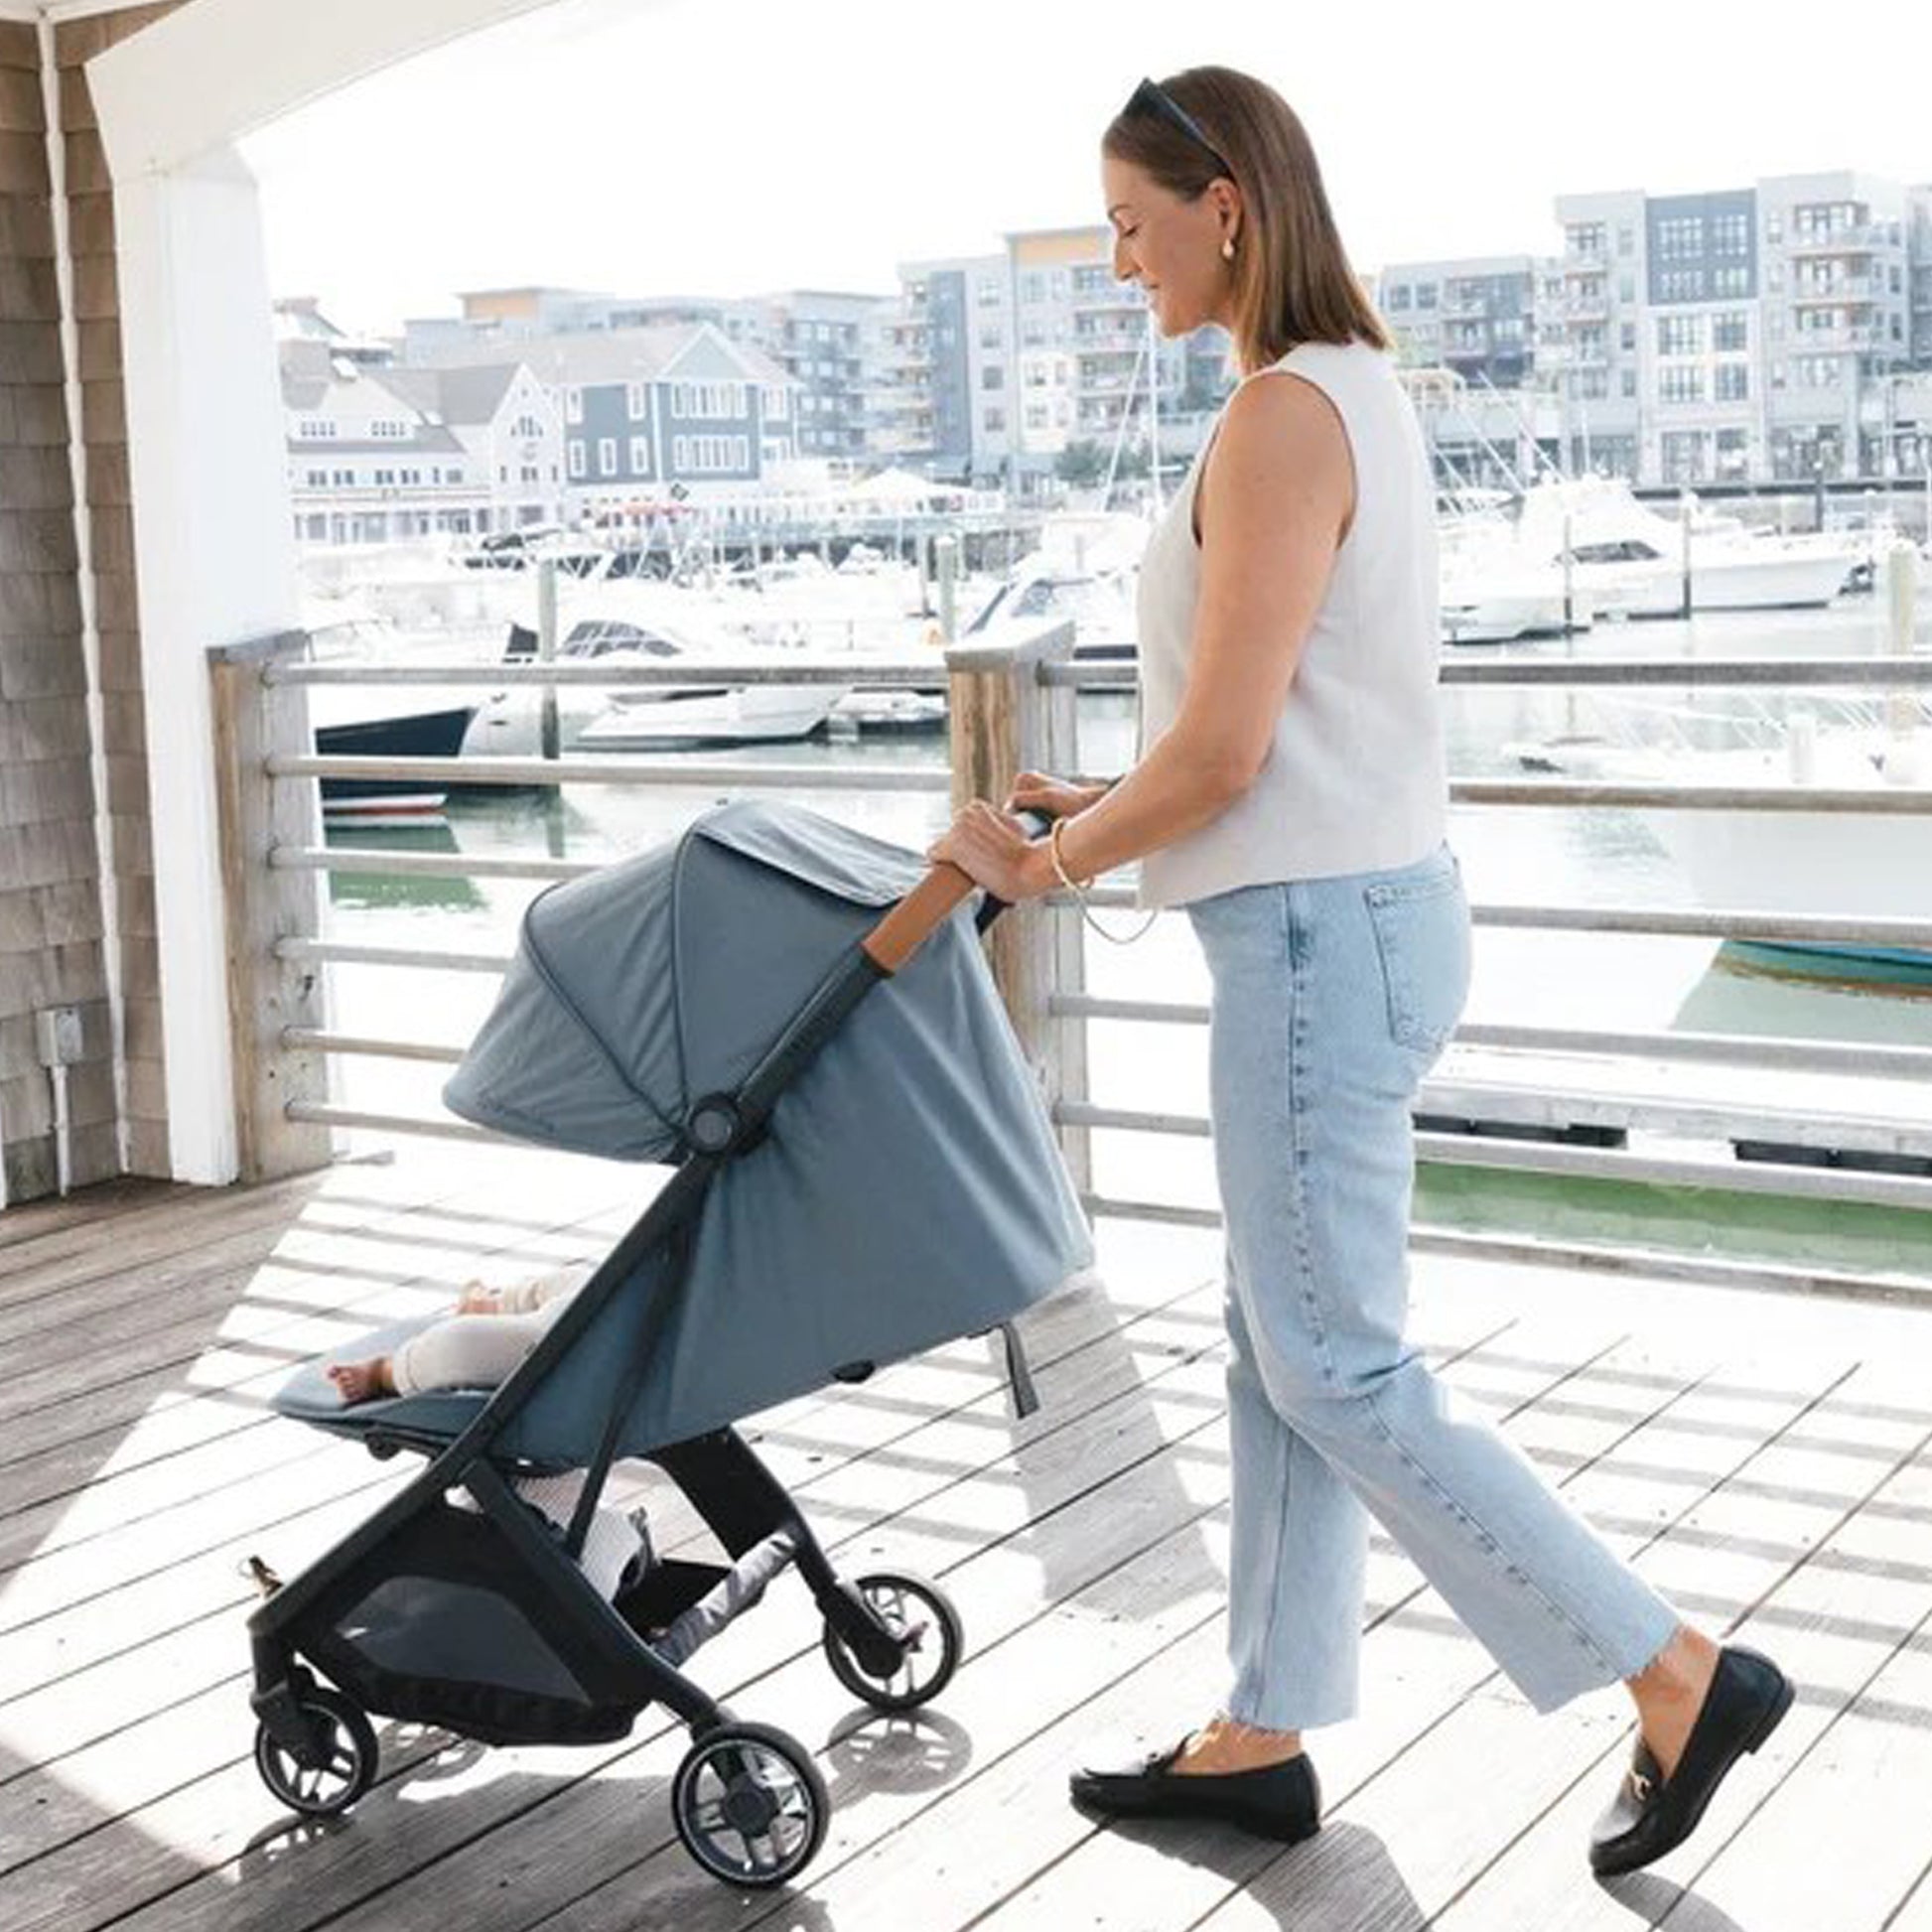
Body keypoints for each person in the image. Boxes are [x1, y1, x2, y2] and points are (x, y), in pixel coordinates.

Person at [928, 65, 1791, 1878]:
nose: (1118, 263)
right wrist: (1104, 799)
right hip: (1354, 912)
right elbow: (1276, 722)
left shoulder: (1277, 418)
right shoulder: (1350, 391)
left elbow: (1230, 752)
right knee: (1285, 1348)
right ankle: (1263, 1727)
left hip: (1316, 939)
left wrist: (1047, 861)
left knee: (1329, 1361)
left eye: (1130, 225)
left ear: (1225, 205)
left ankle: (1674, 1670)